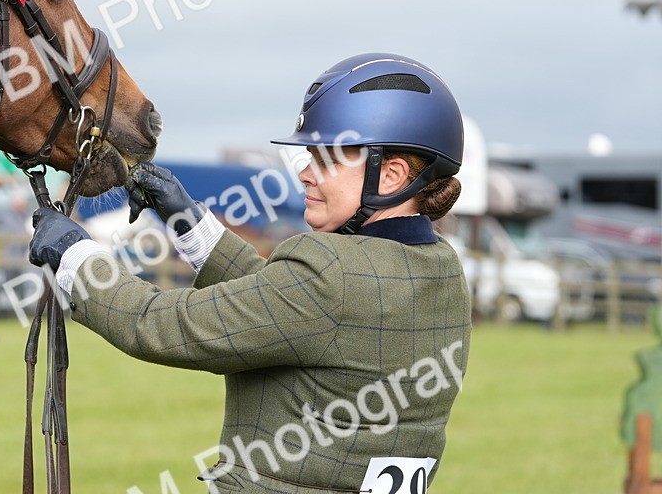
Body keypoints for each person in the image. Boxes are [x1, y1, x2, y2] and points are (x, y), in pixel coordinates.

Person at [29, 53, 472, 494]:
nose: (305, 174)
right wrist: (189, 221)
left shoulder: (331, 273)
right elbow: (284, 309)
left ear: (391, 175)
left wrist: (76, 257)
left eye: (327, 160)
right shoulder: (442, 269)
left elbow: (162, 325)